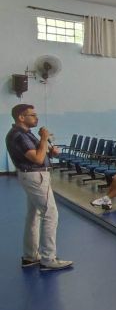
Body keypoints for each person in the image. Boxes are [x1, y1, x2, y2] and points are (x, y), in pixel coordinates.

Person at [6, 104, 73, 271]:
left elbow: (40, 154)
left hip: (32, 175)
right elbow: (36, 158)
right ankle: (48, 258)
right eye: (32, 115)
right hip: (35, 177)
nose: (36, 118)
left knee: (34, 215)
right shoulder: (19, 135)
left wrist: (51, 153)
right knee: (50, 214)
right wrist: (43, 138)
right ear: (21, 117)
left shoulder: (26, 134)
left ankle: (31, 256)